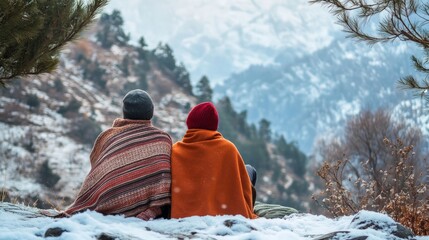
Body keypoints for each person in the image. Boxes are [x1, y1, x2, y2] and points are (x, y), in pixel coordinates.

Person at [63, 89, 172, 220]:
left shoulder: (109, 137)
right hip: (151, 205)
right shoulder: (162, 139)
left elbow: (97, 168)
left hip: (107, 203)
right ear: (152, 111)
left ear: (124, 112)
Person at [171, 102, 257, 219]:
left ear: (189, 123)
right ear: (214, 125)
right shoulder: (228, 149)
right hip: (224, 209)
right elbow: (244, 188)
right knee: (249, 170)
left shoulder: (175, 150)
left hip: (183, 214)